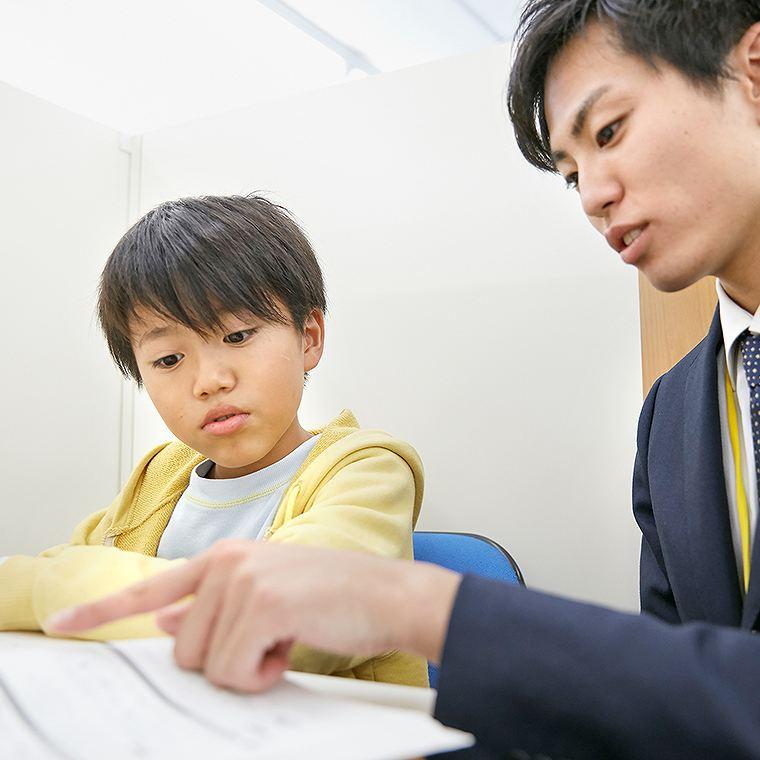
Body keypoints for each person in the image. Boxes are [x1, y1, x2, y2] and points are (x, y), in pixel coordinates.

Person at [48, 1, 760, 757]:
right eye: (571, 172)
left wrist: (424, 607)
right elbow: (671, 697)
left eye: (610, 131)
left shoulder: (359, 467)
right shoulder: (672, 416)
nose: (592, 196)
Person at [1, 194, 427, 688]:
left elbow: (282, 621)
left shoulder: (365, 470)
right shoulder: (159, 477)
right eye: (168, 360)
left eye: (238, 336)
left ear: (308, 337)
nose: (209, 381)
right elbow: (67, 557)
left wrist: (46, 591)